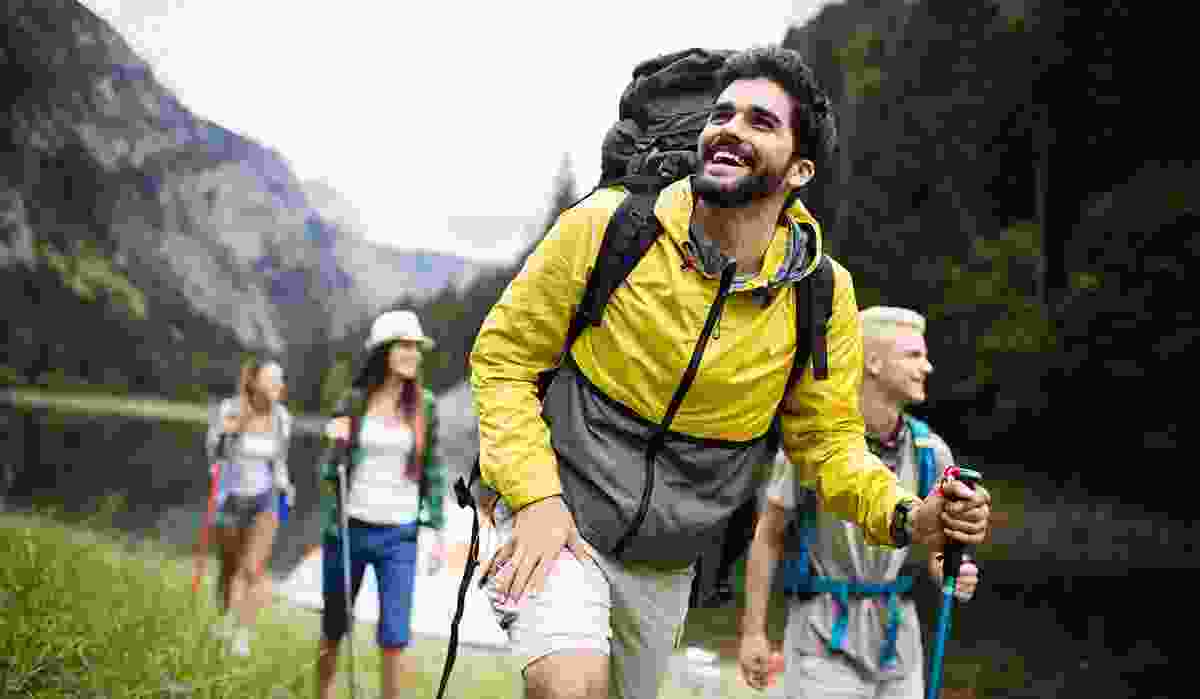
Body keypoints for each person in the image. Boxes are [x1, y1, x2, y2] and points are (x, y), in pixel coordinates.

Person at [468, 45, 992, 699]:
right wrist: (536, 498)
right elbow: (504, 357)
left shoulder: (820, 295)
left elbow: (828, 447)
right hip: (560, 517)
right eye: (723, 113)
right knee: (568, 688)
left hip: (665, 562)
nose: (730, 129)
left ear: (800, 168)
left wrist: (909, 516)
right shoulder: (606, 229)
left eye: (760, 122)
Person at [738, 306, 981, 696]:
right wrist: (753, 632)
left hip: (897, 636)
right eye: (914, 355)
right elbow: (769, 534)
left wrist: (952, 569)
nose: (927, 367)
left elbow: (941, 547)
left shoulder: (931, 451)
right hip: (821, 632)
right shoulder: (814, 446)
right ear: (873, 363)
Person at [315, 309, 447, 699]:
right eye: (405, 345)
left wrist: (435, 529)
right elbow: (327, 469)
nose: (414, 353)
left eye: (416, 347)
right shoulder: (354, 402)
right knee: (334, 626)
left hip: (400, 536)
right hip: (348, 529)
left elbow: (434, 472)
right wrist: (334, 449)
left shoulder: (426, 406)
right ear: (384, 351)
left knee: (395, 635)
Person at [204, 357, 294, 657]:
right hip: (230, 497)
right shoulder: (230, 409)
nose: (279, 385)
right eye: (272, 379)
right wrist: (229, 432)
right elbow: (213, 453)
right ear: (254, 383)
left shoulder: (282, 418)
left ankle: (242, 633)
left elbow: (279, 460)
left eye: (281, 380)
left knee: (253, 567)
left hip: (267, 498)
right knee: (229, 567)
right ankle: (224, 621)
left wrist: (285, 486)